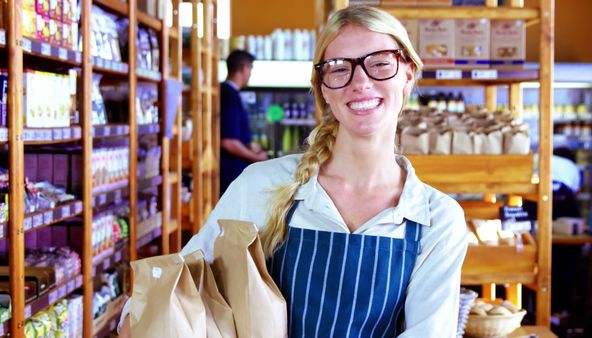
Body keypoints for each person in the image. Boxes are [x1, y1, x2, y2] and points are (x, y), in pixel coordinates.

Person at [120, 6, 467, 337]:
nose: (360, 81)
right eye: (339, 67)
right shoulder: (262, 186)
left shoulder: (436, 220)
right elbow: (180, 281)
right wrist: (141, 315)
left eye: (379, 64)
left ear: (408, 74)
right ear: (323, 89)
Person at [220, 50, 268, 195]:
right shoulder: (230, 96)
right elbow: (228, 141)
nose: (250, 74)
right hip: (229, 174)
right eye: (250, 69)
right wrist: (256, 157)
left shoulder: (224, 92)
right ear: (244, 68)